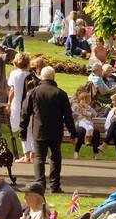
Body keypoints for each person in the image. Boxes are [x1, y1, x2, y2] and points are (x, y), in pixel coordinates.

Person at [21, 66, 78, 194]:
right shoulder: (60, 93)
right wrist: (73, 133)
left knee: (39, 157)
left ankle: (40, 184)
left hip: (39, 130)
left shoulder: (34, 92)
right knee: (55, 157)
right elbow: (68, 116)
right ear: (53, 77)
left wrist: (22, 131)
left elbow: (25, 113)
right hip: (56, 130)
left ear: (41, 76)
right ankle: (55, 185)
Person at [6, 53, 33, 162]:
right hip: (29, 105)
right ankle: (32, 155)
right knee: (30, 129)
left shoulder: (14, 74)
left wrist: (8, 103)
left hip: (17, 104)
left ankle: (27, 155)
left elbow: (12, 91)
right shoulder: (31, 75)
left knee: (22, 129)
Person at [71, 88, 102, 158]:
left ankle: (95, 153)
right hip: (79, 125)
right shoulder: (75, 106)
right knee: (82, 131)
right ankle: (76, 151)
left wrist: (87, 108)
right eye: (87, 99)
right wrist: (76, 114)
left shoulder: (88, 107)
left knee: (96, 131)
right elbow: (73, 115)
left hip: (88, 124)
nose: (88, 101)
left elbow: (95, 114)